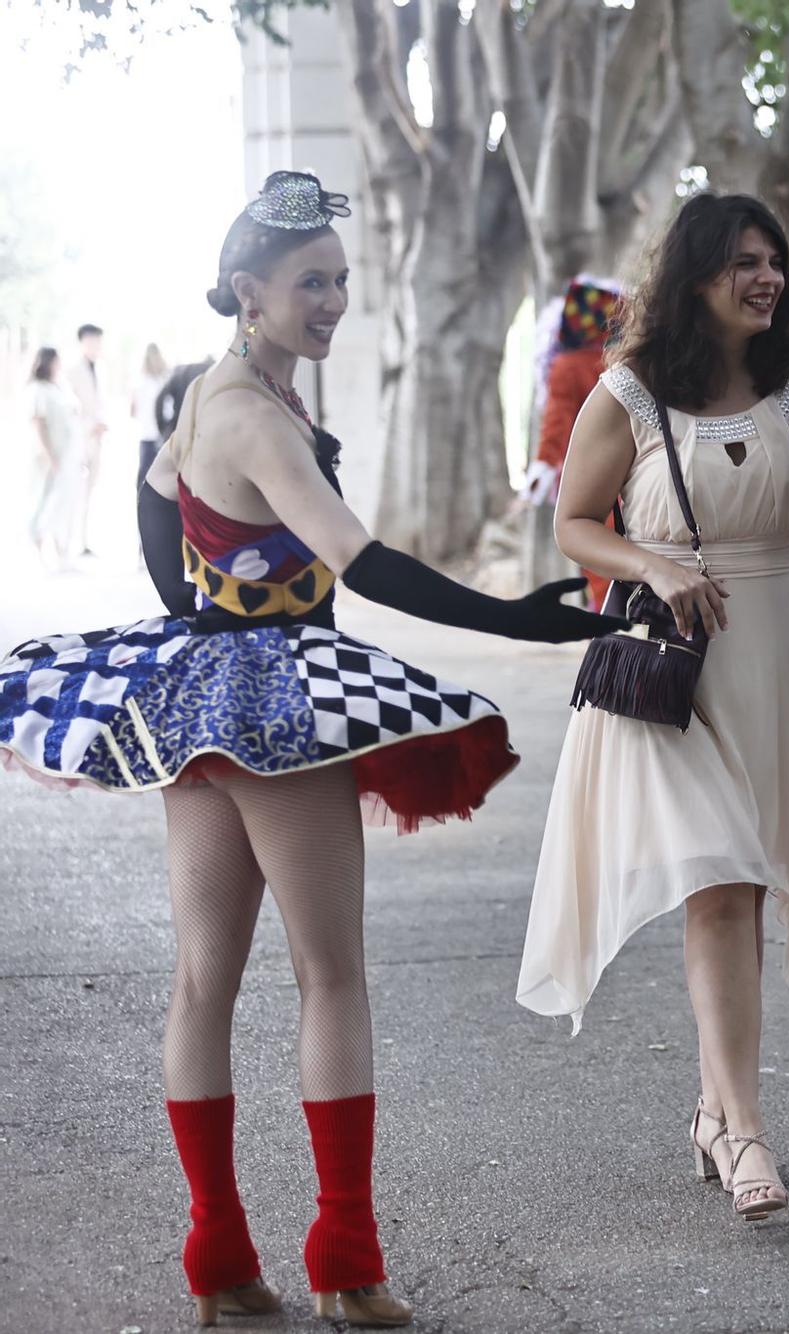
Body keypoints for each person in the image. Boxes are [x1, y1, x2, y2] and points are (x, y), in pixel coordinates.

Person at [0, 172, 620, 1327]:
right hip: (275, 720)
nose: (333, 299)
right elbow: (357, 558)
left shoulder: (212, 394)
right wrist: (517, 618)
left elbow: (152, 503)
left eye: (340, 279)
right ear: (248, 290)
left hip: (204, 707)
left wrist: (202, 628)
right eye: (309, 283)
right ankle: (344, 1257)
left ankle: (221, 1260)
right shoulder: (248, 409)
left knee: (205, 979)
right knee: (325, 972)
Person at [516, 194, 789, 1222]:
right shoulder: (629, 392)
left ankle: (709, 1109)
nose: (766, 278)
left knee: (739, 877)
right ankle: (746, 1132)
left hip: (772, 652)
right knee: (720, 882)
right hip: (671, 668)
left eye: (774, 261)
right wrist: (651, 564)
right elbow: (573, 524)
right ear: (694, 274)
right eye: (743, 261)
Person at [520, 274, 622, 608]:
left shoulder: (565, 366)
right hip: (632, 471)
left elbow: (557, 422)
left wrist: (543, 466)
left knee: (595, 549)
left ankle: (607, 623)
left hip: (587, 476)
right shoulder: (623, 362)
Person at [25, 346, 86, 569]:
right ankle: (39, 550)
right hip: (48, 457)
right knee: (43, 502)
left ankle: (61, 551)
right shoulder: (37, 390)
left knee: (63, 504)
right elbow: (38, 424)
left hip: (66, 455)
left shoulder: (57, 388)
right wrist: (49, 456)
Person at [68, 322, 108, 552]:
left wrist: (102, 424)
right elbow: (70, 409)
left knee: (90, 492)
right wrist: (88, 426)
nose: (95, 345)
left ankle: (83, 541)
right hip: (80, 440)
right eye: (91, 340)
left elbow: (102, 403)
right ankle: (71, 542)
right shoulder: (72, 370)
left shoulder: (101, 368)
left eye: (97, 340)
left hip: (98, 439)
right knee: (75, 491)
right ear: (82, 342)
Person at [132, 342, 172, 489]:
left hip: (147, 435)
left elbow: (133, 411)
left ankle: (141, 507)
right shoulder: (165, 380)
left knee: (144, 477)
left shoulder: (140, 382)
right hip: (162, 436)